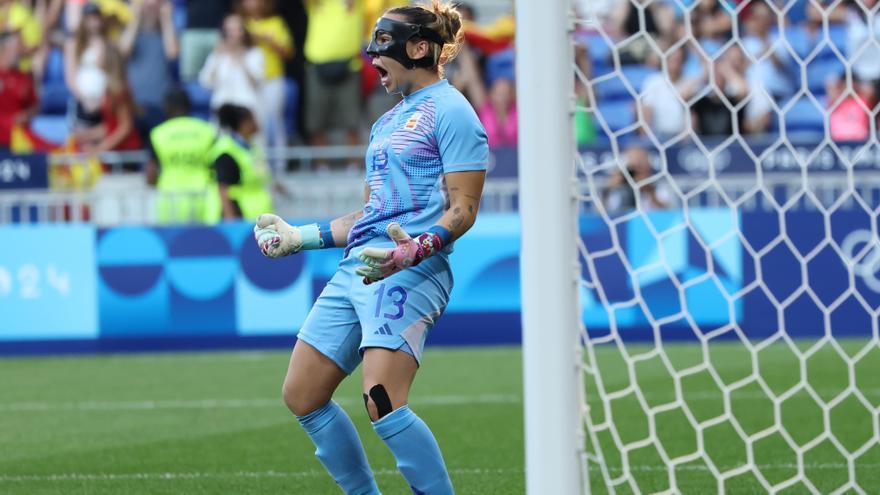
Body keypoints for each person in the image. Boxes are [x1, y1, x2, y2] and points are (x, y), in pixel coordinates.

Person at [253, 2, 488, 493]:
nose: (371, 58)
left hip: (411, 269)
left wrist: (416, 249)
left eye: (382, 47)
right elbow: (370, 215)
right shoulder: (385, 124)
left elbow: (464, 208)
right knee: (302, 394)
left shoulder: (453, 111)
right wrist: (300, 237)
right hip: (360, 266)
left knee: (382, 398)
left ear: (419, 48)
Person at [302, 0, 364, 165]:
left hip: (349, 65)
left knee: (352, 120)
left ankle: (353, 164)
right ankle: (321, 166)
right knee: (316, 122)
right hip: (317, 66)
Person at [147, 88, 219, 224]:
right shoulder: (207, 130)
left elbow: (150, 174)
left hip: (170, 199)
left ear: (167, 107)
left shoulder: (158, 133)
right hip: (203, 197)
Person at [241, 0, 293, 169]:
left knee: (275, 123)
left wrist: (267, 41)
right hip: (248, 82)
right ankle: (259, 166)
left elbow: (288, 53)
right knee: (253, 124)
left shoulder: (276, 23)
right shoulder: (241, 24)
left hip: (272, 79)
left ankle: (279, 166)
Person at [118, 0, 179, 140]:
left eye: (156, 3)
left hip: (160, 106)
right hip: (133, 106)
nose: (151, 7)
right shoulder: (129, 33)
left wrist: (167, 20)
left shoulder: (167, 33)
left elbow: (172, 53)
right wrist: (135, 19)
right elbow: (123, 52)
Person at [211, 104, 273, 221]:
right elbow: (223, 188)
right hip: (240, 215)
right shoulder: (226, 150)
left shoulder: (252, 148)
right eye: (253, 118)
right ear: (243, 123)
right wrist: (232, 223)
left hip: (256, 216)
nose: (256, 122)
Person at [198, 13, 264, 117]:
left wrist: (241, 58)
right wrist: (217, 58)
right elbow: (205, 82)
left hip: (247, 108)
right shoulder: (217, 54)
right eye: (228, 30)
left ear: (243, 31)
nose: (232, 34)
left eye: (236, 29)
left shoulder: (254, 53)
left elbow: (258, 83)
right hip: (222, 107)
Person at [179, 0, 233, 81]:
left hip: (218, 32)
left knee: (221, 74)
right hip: (193, 32)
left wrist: (225, 34)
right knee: (189, 77)